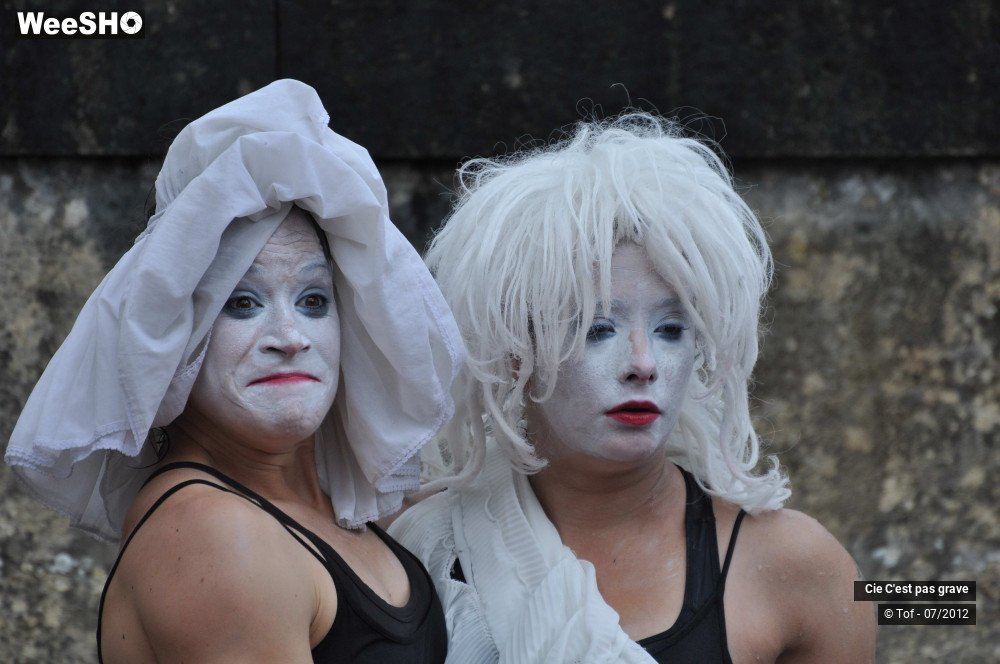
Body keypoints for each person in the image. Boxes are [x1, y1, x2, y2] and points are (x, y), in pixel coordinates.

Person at [389, 113, 876, 663]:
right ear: (513, 348)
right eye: (597, 330)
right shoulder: (420, 550)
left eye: (671, 330)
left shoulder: (796, 563)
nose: (643, 364)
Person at [5, 79, 463, 663]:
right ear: (175, 334)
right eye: (241, 303)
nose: (291, 338)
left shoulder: (346, 506)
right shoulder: (213, 533)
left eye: (314, 300)